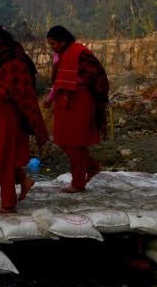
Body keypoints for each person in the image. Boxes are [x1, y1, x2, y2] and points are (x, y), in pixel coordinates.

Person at [0, 23, 48, 213]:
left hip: (7, 118)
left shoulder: (16, 61)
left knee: (3, 159)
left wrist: (0, 92)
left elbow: (21, 90)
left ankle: (8, 203)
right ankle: (23, 179)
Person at [43, 25, 109, 193]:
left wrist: (74, 81)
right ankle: (91, 166)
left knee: (76, 143)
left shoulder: (80, 53)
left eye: (54, 43)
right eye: (50, 44)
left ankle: (78, 182)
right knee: (63, 139)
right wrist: (51, 98)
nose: (52, 47)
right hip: (65, 101)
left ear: (63, 40)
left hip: (80, 101)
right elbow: (58, 81)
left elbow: (95, 75)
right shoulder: (61, 56)